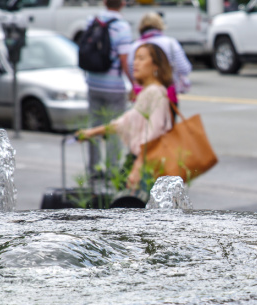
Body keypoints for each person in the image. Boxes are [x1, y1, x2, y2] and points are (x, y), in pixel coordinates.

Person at [77, 44, 174, 193]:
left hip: (148, 166)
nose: (135, 63)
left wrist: (137, 167)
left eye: (141, 58)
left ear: (156, 65)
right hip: (141, 162)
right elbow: (123, 123)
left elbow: (152, 134)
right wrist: (92, 132)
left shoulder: (155, 92)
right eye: (135, 58)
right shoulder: (148, 92)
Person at [83, 0, 134, 177]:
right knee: (114, 128)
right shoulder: (122, 27)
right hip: (114, 87)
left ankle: (93, 169)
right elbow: (124, 60)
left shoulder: (92, 21)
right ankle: (112, 170)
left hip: (93, 83)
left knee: (94, 126)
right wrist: (134, 84)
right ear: (123, 3)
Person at [127, 12, 192, 107]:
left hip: (141, 93)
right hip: (167, 93)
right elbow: (185, 68)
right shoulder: (171, 43)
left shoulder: (135, 46)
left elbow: (131, 71)